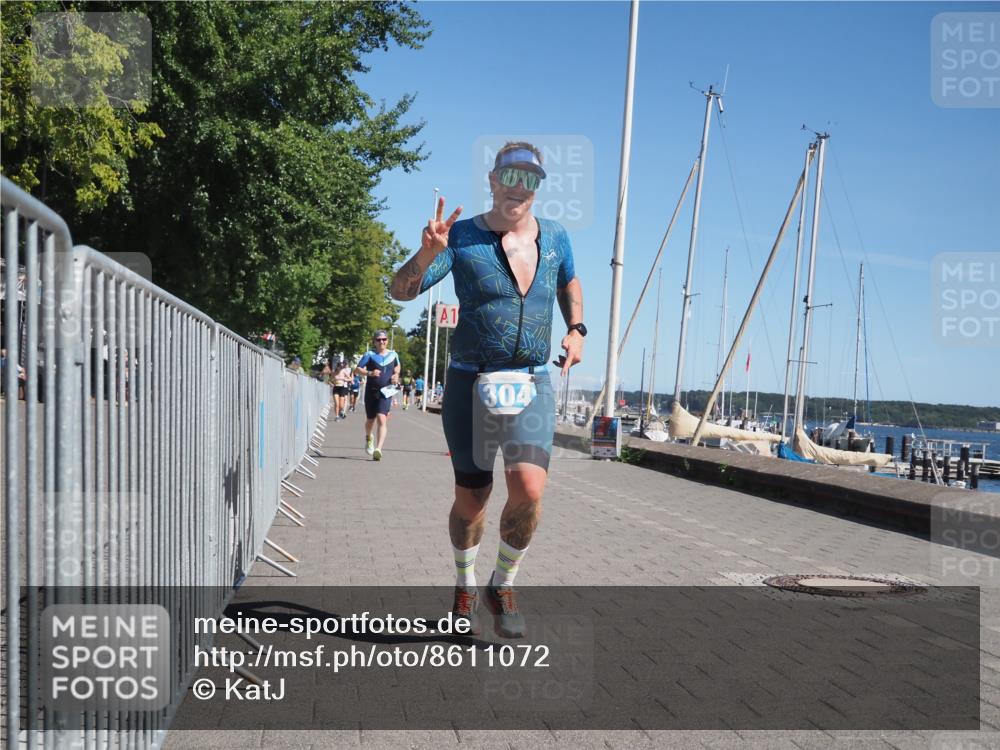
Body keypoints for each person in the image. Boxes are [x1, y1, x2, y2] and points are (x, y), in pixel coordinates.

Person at [389, 141, 585, 638]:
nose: (518, 187)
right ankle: (465, 583)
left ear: (538, 187)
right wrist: (426, 252)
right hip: (470, 381)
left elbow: (569, 282)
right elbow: (400, 290)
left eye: (530, 179)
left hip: (533, 380)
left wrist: (576, 329)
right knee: (472, 499)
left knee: (529, 487)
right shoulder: (461, 236)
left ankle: (503, 582)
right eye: (510, 177)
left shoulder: (556, 236)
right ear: (494, 181)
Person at [354, 331, 400, 461]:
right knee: (370, 420)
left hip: (386, 392)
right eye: (379, 340)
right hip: (371, 391)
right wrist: (369, 372)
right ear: (374, 341)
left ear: (387, 340)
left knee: (382, 418)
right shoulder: (370, 355)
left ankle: (378, 449)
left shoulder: (393, 355)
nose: (382, 342)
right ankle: (369, 438)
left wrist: (395, 375)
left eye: (384, 339)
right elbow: (357, 369)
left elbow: (397, 367)